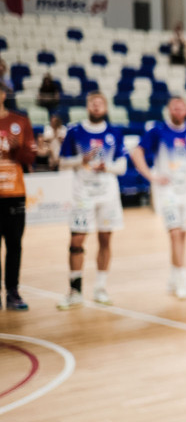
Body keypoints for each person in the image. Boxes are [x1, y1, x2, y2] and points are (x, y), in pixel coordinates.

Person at [130, 95, 186, 300]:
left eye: (182, 108)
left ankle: (174, 276)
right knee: (174, 233)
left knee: (183, 235)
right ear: (168, 110)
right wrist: (151, 175)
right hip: (167, 190)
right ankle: (183, 279)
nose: (178, 112)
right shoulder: (158, 131)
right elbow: (136, 152)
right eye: (174, 108)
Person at [57, 92, 126, 309]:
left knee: (105, 240)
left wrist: (108, 167)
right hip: (83, 194)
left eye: (100, 104)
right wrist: (82, 159)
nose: (96, 107)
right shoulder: (75, 131)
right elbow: (62, 162)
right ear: (88, 106)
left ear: (105, 107)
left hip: (107, 194)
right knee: (77, 240)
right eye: (93, 104)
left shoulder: (115, 132)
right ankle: (75, 291)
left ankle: (101, 288)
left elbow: (122, 167)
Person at [0, 83, 35, 310]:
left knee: (14, 245)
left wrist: (16, 149)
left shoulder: (20, 121)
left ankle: (13, 292)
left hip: (15, 193)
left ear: (3, 95)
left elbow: (30, 157)